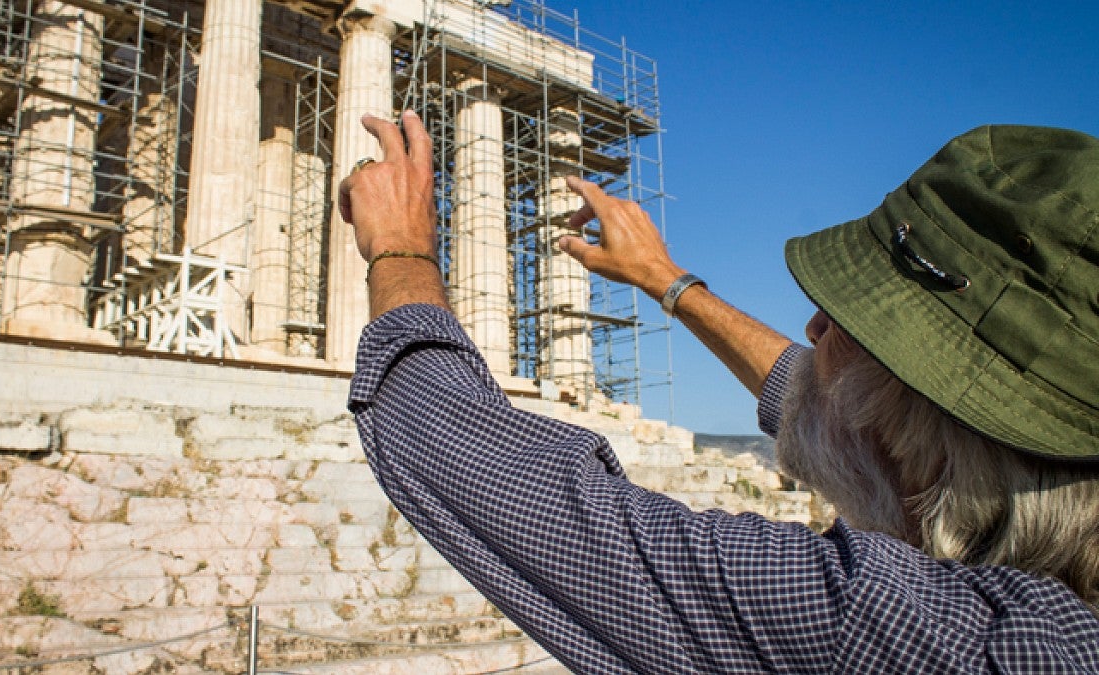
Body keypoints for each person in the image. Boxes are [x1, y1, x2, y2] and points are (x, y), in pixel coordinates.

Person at [339, 111, 1099, 673]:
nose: (810, 323)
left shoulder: (891, 634)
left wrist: (401, 244)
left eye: (846, 321)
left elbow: (464, 455)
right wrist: (668, 283)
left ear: (922, 443)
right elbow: (818, 399)